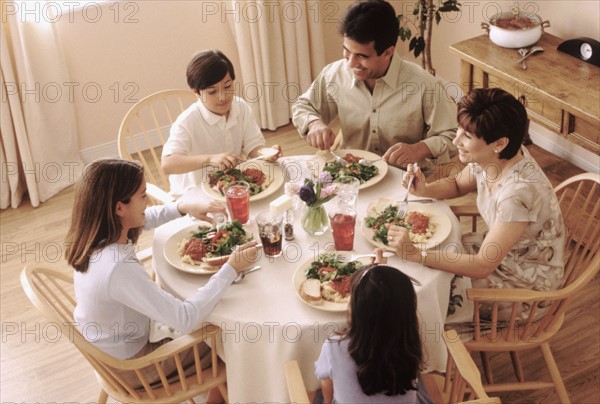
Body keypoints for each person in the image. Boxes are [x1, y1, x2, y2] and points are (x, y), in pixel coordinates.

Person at [65, 158, 260, 402]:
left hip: (109, 348)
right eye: (142, 195)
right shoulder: (117, 268)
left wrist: (181, 207)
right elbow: (185, 318)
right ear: (119, 208)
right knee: (233, 340)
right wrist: (231, 267)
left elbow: (145, 218)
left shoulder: (97, 233)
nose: (147, 202)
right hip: (136, 366)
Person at [387, 88, 566, 320]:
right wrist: (426, 189)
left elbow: (482, 266)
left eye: (467, 136)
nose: (455, 140)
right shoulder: (496, 156)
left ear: (499, 143)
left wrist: (415, 254)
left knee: (419, 302)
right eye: (460, 130)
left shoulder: (518, 194)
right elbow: (459, 184)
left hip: (524, 288)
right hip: (500, 256)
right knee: (416, 271)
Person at [292, 0, 457, 176]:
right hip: (351, 177)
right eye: (347, 51)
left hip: (407, 181)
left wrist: (421, 148)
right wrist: (313, 123)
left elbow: (452, 136)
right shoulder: (335, 74)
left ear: (388, 52)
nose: (350, 63)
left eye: (361, 56)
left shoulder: (425, 85)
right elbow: (302, 106)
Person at [162, 49, 282, 196]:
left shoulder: (240, 107)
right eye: (212, 92)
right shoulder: (187, 121)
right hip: (194, 195)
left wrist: (266, 153)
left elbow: (253, 146)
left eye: (227, 86)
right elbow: (167, 164)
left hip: (229, 188)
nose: (222, 97)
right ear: (197, 92)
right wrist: (210, 159)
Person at [315, 249, 422, 403]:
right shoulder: (409, 345)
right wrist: (380, 272)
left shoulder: (334, 346)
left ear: (354, 311)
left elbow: (326, 383)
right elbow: (392, 304)